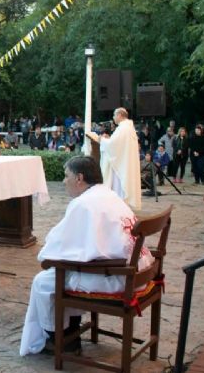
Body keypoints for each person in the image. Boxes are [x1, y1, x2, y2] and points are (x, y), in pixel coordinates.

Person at [19, 156, 154, 356]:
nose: (64, 182)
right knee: (59, 275)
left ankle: (59, 339)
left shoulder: (84, 203)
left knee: (44, 281)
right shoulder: (109, 194)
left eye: (67, 176)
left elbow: (53, 249)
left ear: (79, 178)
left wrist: (54, 256)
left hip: (119, 278)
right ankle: (69, 333)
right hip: (140, 271)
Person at [87, 108, 141, 209]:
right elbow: (117, 143)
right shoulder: (128, 127)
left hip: (121, 165)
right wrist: (109, 139)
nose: (113, 117)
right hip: (123, 161)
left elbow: (113, 145)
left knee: (118, 186)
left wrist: (102, 139)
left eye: (114, 115)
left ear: (120, 115)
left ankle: (119, 206)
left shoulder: (123, 128)